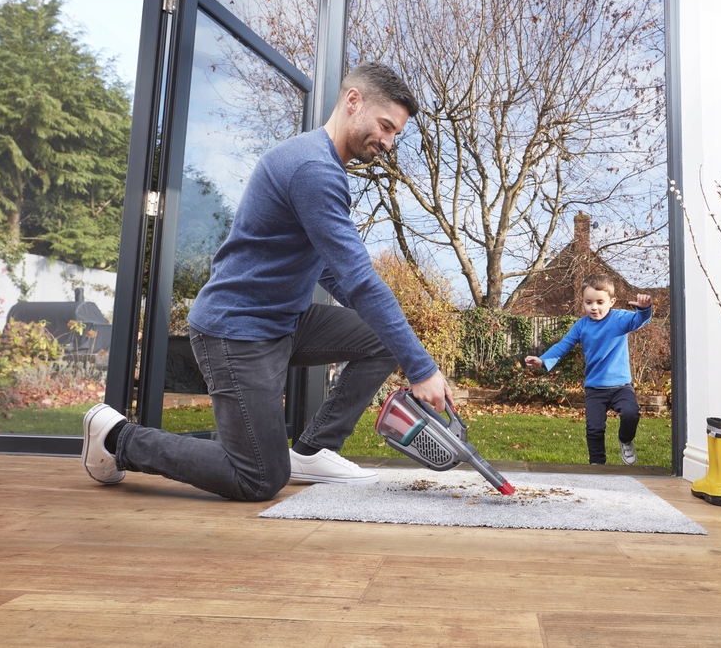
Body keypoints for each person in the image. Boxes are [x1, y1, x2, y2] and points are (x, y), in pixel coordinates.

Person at [82, 62, 452, 501]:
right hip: (237, 332)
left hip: (283, 322)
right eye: (386, 126)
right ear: (353, 101)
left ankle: (314, 451)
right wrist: (422, 368)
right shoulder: (312, 169)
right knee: (259, 477)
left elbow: (330, 268)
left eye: (395, 135)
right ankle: (117, 438)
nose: (388, 143)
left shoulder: (321, 164)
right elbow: (359, 280)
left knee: (382, 338)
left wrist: (399, 341)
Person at [525, 273, 652, 465]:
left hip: (621, 386)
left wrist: (644, 309)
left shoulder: (619, 318)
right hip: (595, 389)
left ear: (611, 302)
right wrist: (542, 360)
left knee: (631, 413)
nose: (594, 307)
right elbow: (564, 345)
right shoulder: (581, 326)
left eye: (600, 302)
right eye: (589, 302)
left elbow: (638, 321)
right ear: (583, 302)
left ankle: (625, 440)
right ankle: (597, 464)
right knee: (594, 428)